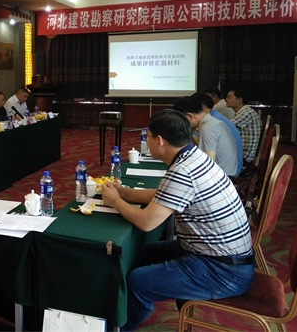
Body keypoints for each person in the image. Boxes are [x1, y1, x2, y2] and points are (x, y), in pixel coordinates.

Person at [101, 110, 253, 331]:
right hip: (217, 255)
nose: (147, 141)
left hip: (224, 270)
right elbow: (164, 195)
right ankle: (114, 308)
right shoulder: (193, 156)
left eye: (148, 137)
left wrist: (115, 201)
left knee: (138, 283)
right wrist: (124, 192)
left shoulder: (183, 171)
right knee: (144, 253)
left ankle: (122, 328)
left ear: (160, 141)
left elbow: (146, 222)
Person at [173, 96, 239, 177]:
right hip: (224, 174)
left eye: (182, 120)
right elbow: (200, 148)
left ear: (190, 116)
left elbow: (208, 164)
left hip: (221, 177)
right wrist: (190, 132)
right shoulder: (211, 122)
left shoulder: (208, 128)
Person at [191, 92, 243, 177]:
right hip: (233, 168)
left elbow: (208, 162)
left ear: (204, 108)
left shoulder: (209, 125)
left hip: (227, 175)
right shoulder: (214, 117)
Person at [226, 88, 262, 164]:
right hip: (243, 151)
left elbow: (225, 126)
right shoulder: (244, 112)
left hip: (245, 156)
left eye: (229, 97)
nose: (226, 99)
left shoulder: (247, 113)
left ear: (240, 100)